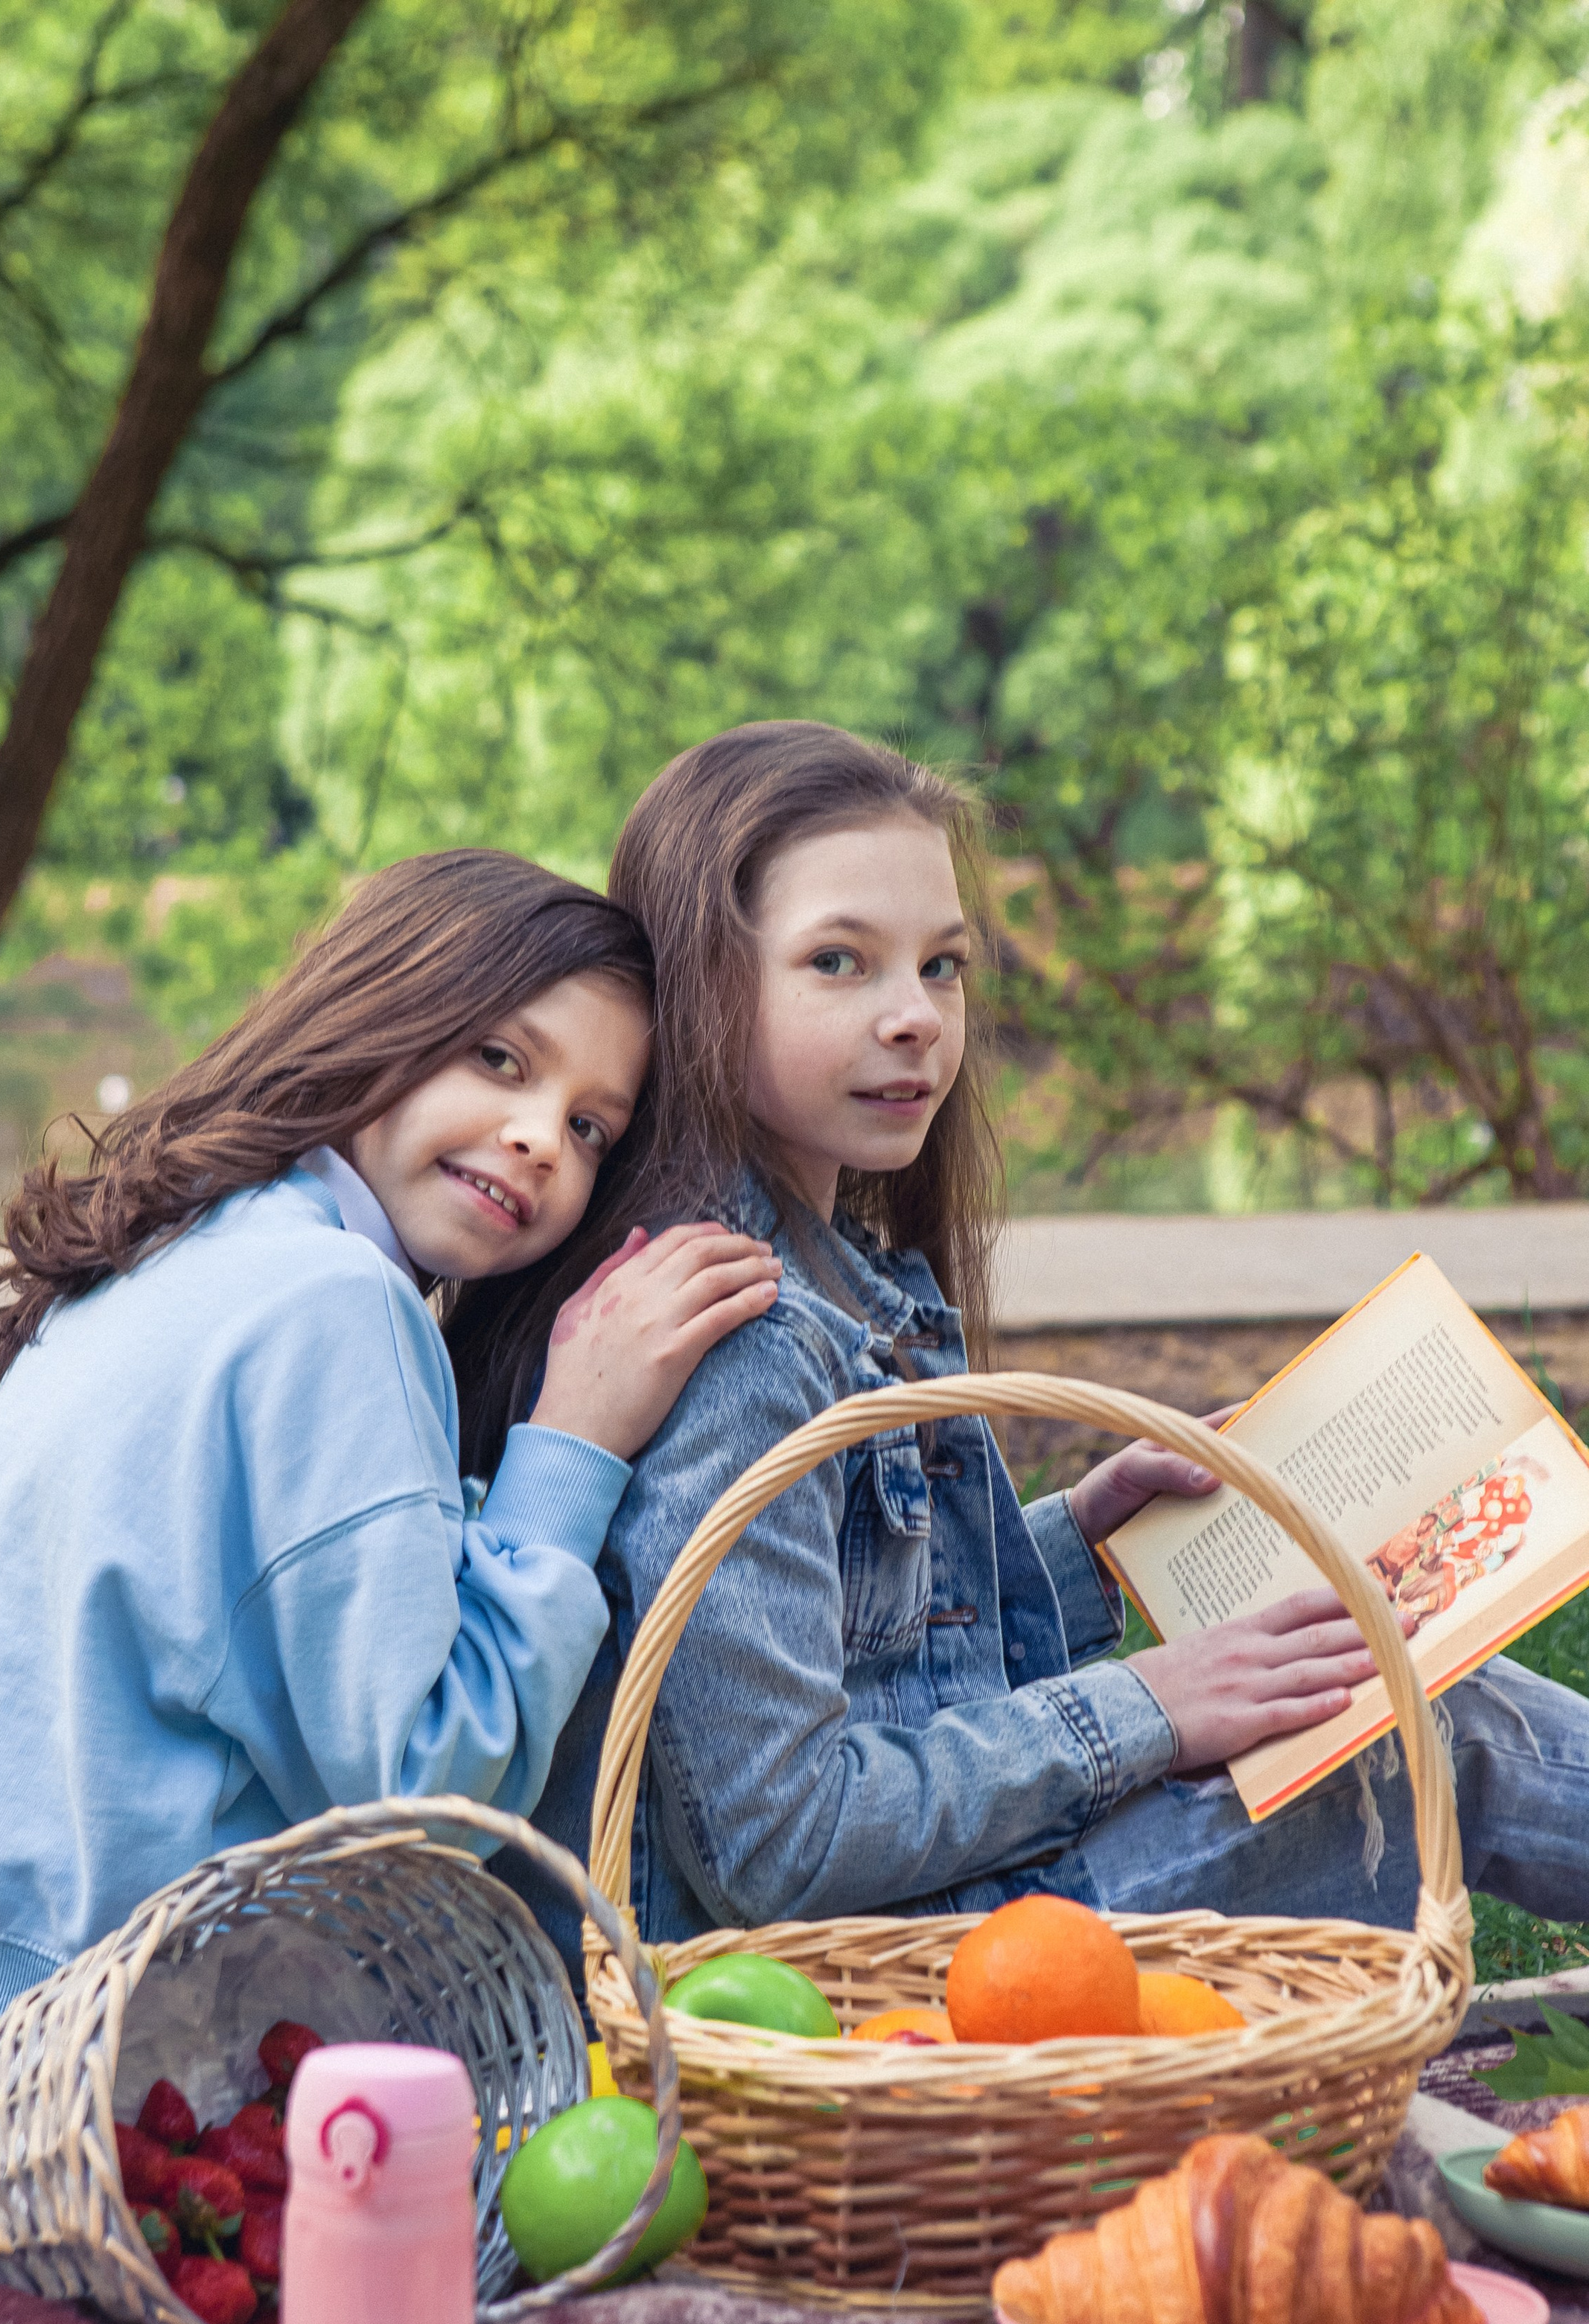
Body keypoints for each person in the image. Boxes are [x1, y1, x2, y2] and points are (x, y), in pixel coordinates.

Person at [500, 725, 1589, 1989]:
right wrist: (1151, 1707)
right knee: (1435, 1737)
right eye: (840, 962)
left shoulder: (827, 1271)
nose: (914, 1017)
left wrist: (1090, 1541)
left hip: (929, 1909)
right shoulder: (738, 1335)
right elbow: (775, 1842)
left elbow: (870, 1650)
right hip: (849, 1982)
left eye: (943, 965)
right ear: (699, 984)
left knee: (1418, 1681)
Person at [0, 849, 780, 2125]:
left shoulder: (209, 1213)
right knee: (541, 2089)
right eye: (500, 1060)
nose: (542, 1136)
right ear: (385, 1013)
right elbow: (425, 1806)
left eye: (591, 1127)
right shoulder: (339, 1306)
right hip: (33, 2027)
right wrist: (569, 1448)